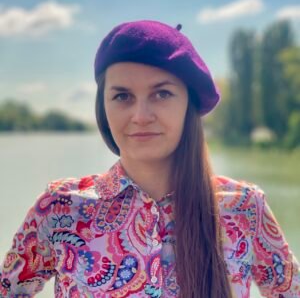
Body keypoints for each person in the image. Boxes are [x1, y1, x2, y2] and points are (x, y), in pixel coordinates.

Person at [0, 19, 299, 298]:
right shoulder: (60, 209)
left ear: (188, 104)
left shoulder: (245, 208)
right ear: (103, 107)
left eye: (162, 94)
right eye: (122, 96)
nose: (141, 116)